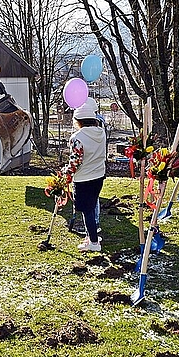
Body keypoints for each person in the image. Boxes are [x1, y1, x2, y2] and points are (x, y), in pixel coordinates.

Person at [63, 98, 106, 252]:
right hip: (99, 175)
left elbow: (75, 162)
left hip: (83, 179)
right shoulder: (101, 133)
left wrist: (65, 175)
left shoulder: (77, 138)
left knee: (87, 211)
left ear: (78, 120)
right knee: (93, 205)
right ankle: (92, 235)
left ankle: (94, 243)